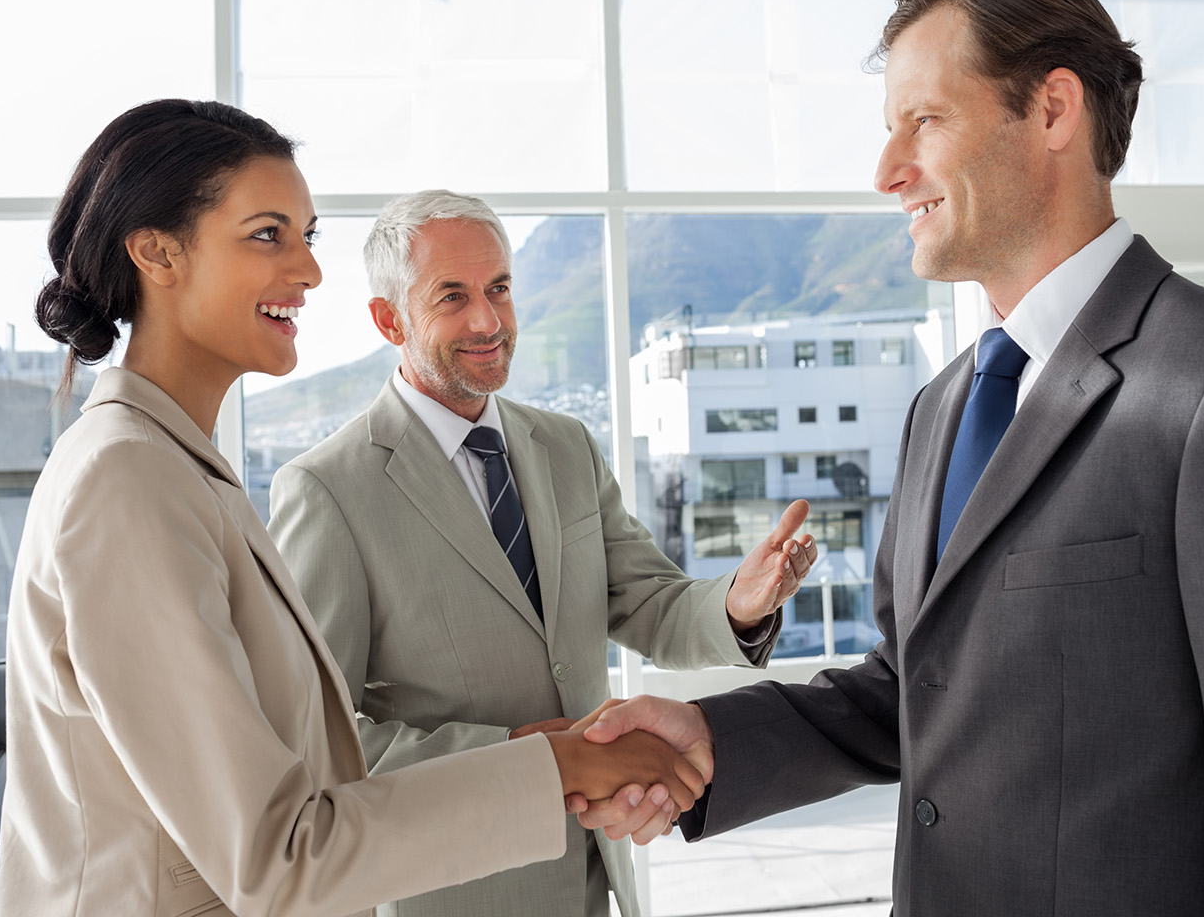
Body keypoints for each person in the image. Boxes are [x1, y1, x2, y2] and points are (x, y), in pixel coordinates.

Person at [575, 0, 1204, 915]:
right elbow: (917, 690)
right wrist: (709, 737)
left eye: (924, 121)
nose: (887, 170)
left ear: (1055, 109)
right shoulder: (942, 407)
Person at [0, 99, 705, 917]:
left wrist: (556, 753)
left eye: (308, 235)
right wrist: (560, 769)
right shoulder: (126, 480)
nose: (309, 270)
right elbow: (276, 857)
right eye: (269, 234)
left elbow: (300, 777)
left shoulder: (182, 469)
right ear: (158, 253)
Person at [266, 189, 818, 917]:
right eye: (452, 297)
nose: (489, 321)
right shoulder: (328, 490)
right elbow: (322, 738)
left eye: (498, 288)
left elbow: (648, 603)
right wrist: (530, 760)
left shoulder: (565, 446)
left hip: (599, 873)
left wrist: (739, 604)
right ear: (388, 319)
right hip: (457, 890)